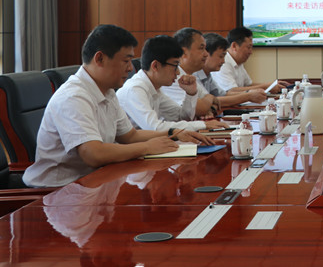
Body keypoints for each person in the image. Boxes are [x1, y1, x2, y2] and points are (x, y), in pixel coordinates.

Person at [23, 24, 207, 188]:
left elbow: (130, 136)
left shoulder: (108, 92)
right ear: (100, 59)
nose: (130, 68)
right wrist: (147, 147)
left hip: (95, 182)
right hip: (58, 192)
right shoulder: (73, 96)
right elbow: (93, 154)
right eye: (126, 61)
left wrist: (173, 133)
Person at [117, 35, 225, 132]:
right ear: (155, 66)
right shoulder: (135, 89)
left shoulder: (155, 88)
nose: (178, 72)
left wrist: (190, 94)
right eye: (175, 66)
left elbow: (181, 117)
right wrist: (202, 125)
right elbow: (155, 128)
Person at [160, 27, 218, 118]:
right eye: (201, 48)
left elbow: (211, 101)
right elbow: (200, 108)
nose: (206, 54)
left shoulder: (190, 74)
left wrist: (209, 106)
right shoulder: (174, 76)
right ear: (183, 52)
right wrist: (210, 100)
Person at [199, 32, 269, 106]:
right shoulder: (195, 76)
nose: (223, 61)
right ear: (206, 54)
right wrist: (248, 96)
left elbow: (224, 95)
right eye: (221, 56)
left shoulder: (207, 75)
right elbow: (208, 102)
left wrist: (249, 94)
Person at [211, 26, 285, 95]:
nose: (251, 52)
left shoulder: (238, 62)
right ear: (234, 46)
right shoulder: (224, 62)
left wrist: (271, 85)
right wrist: (266, 87)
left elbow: (248, 85)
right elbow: (231, 91)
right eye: (248, 47)